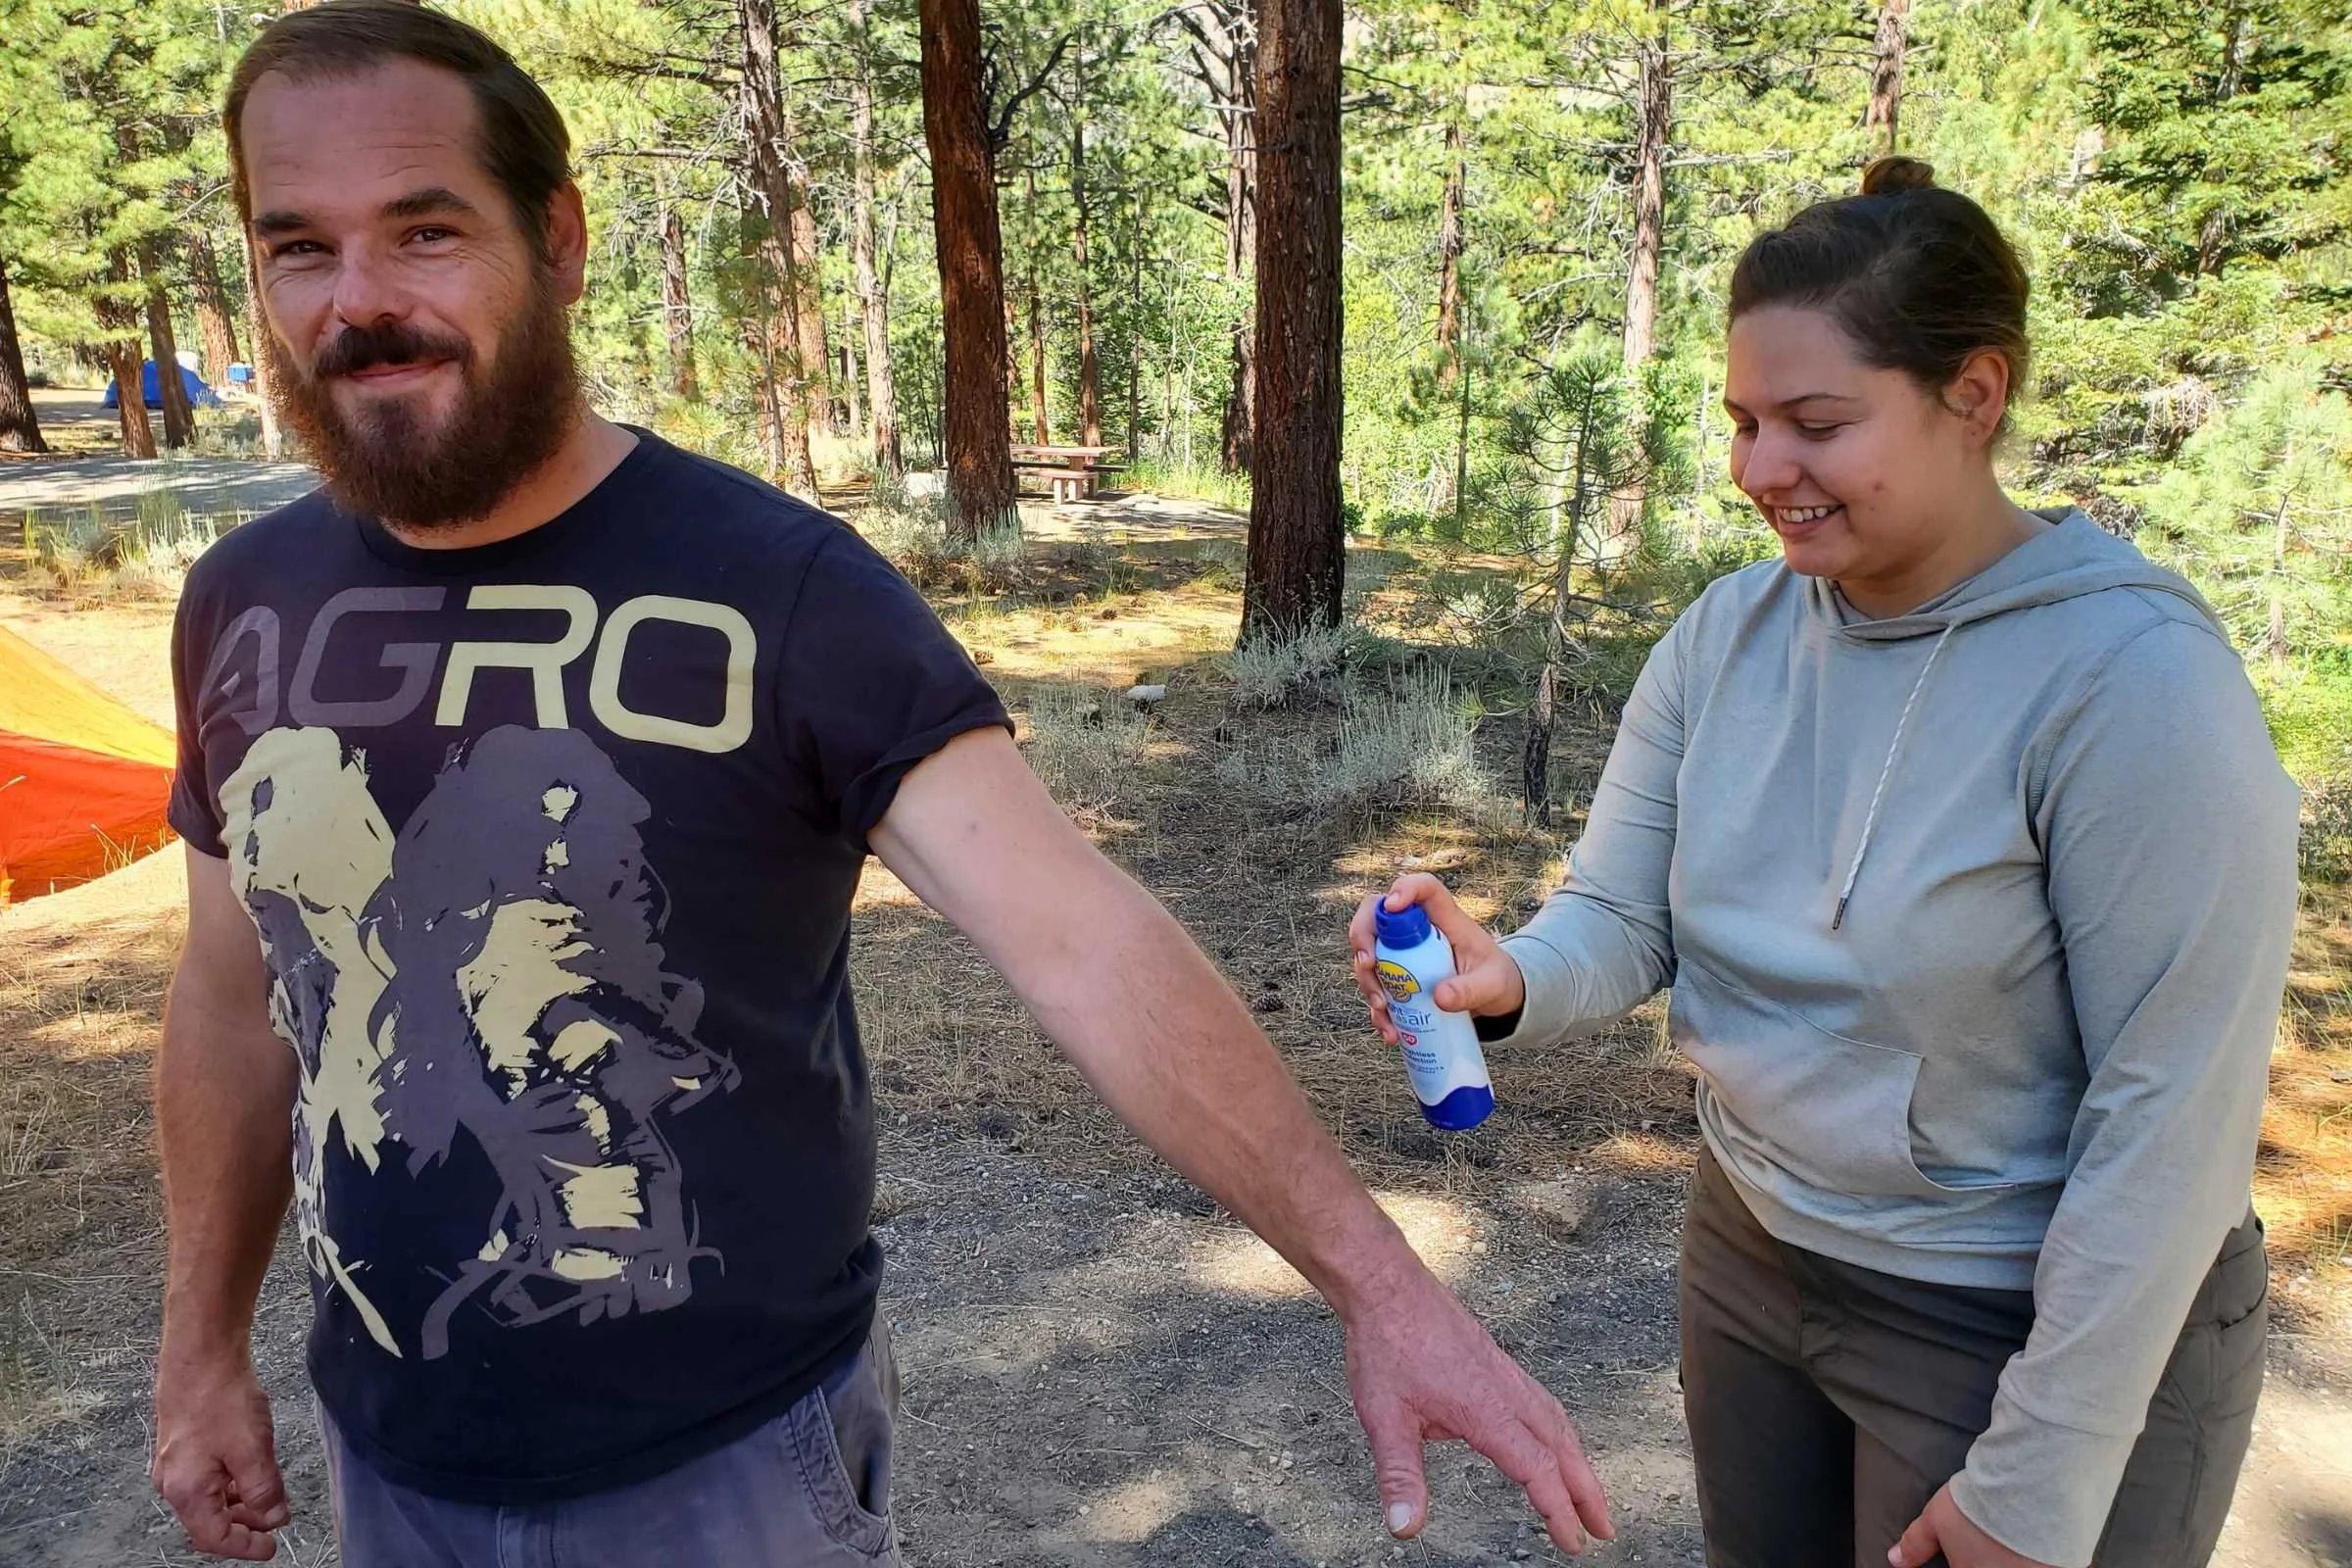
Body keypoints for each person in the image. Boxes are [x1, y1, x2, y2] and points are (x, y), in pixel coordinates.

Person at [151, 4, 1616, 1563]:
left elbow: (1084, 944)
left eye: (425, 231)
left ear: (558, 242)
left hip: (725, 1470)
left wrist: (1382, 1286)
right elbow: (238, 997)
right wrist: (200, 1348)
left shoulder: (777, 588)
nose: (360, 303)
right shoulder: (245, 601)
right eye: (297, 247)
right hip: (389, 1451)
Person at [1351, 157, 2297, 1568]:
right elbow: (1620, 909)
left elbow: (2175, 1118)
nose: (1759, 472)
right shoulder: (1727, 636)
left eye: (1814, 422)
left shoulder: (2134, 683)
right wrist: (1505, 980)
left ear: (1974, 395)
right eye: (1742, 423)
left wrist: (2040, 1481)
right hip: (1755, 1253)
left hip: (2019, 1313)